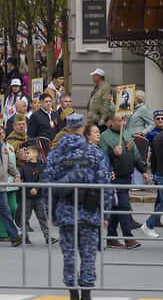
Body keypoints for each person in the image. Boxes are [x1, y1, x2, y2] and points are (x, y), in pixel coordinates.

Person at [44, 113, 113, 300]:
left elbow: (48, 187)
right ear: (83, 128)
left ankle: (73, 292)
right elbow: (105, 186)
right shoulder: (94, 153)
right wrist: (105, 214)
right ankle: (86, 293)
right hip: (89, 212)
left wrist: (52, 212)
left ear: (67, 128)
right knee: (88, 255)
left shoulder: (56, 154)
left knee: (69, 256)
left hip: (65, 212)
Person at [100, 113, 147, 249]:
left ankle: (111, 237)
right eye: (120, 121)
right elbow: (102, 157)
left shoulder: (126, 134)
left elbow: (135, 155)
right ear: (111, 123)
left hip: (127, 176)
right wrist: (113, 153)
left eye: (124, 121)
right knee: (124, 206)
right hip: (115, 178)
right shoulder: (105, 137)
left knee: (116, 207)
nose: (123, 123)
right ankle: (128, 238)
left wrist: (143, 171)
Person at [18, 140, 53, 245]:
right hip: (27, 197)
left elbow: (42, 179)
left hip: (39, 197)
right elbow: (20, 177)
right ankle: (24, 237)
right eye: (25, 153)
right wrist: (18, 180)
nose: (26, 155)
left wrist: (36, 188)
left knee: (42, 217)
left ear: (36, 154)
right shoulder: (24, 167)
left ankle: (48, 236)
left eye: (28, 153)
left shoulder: (42, 166)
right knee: (25, 217)